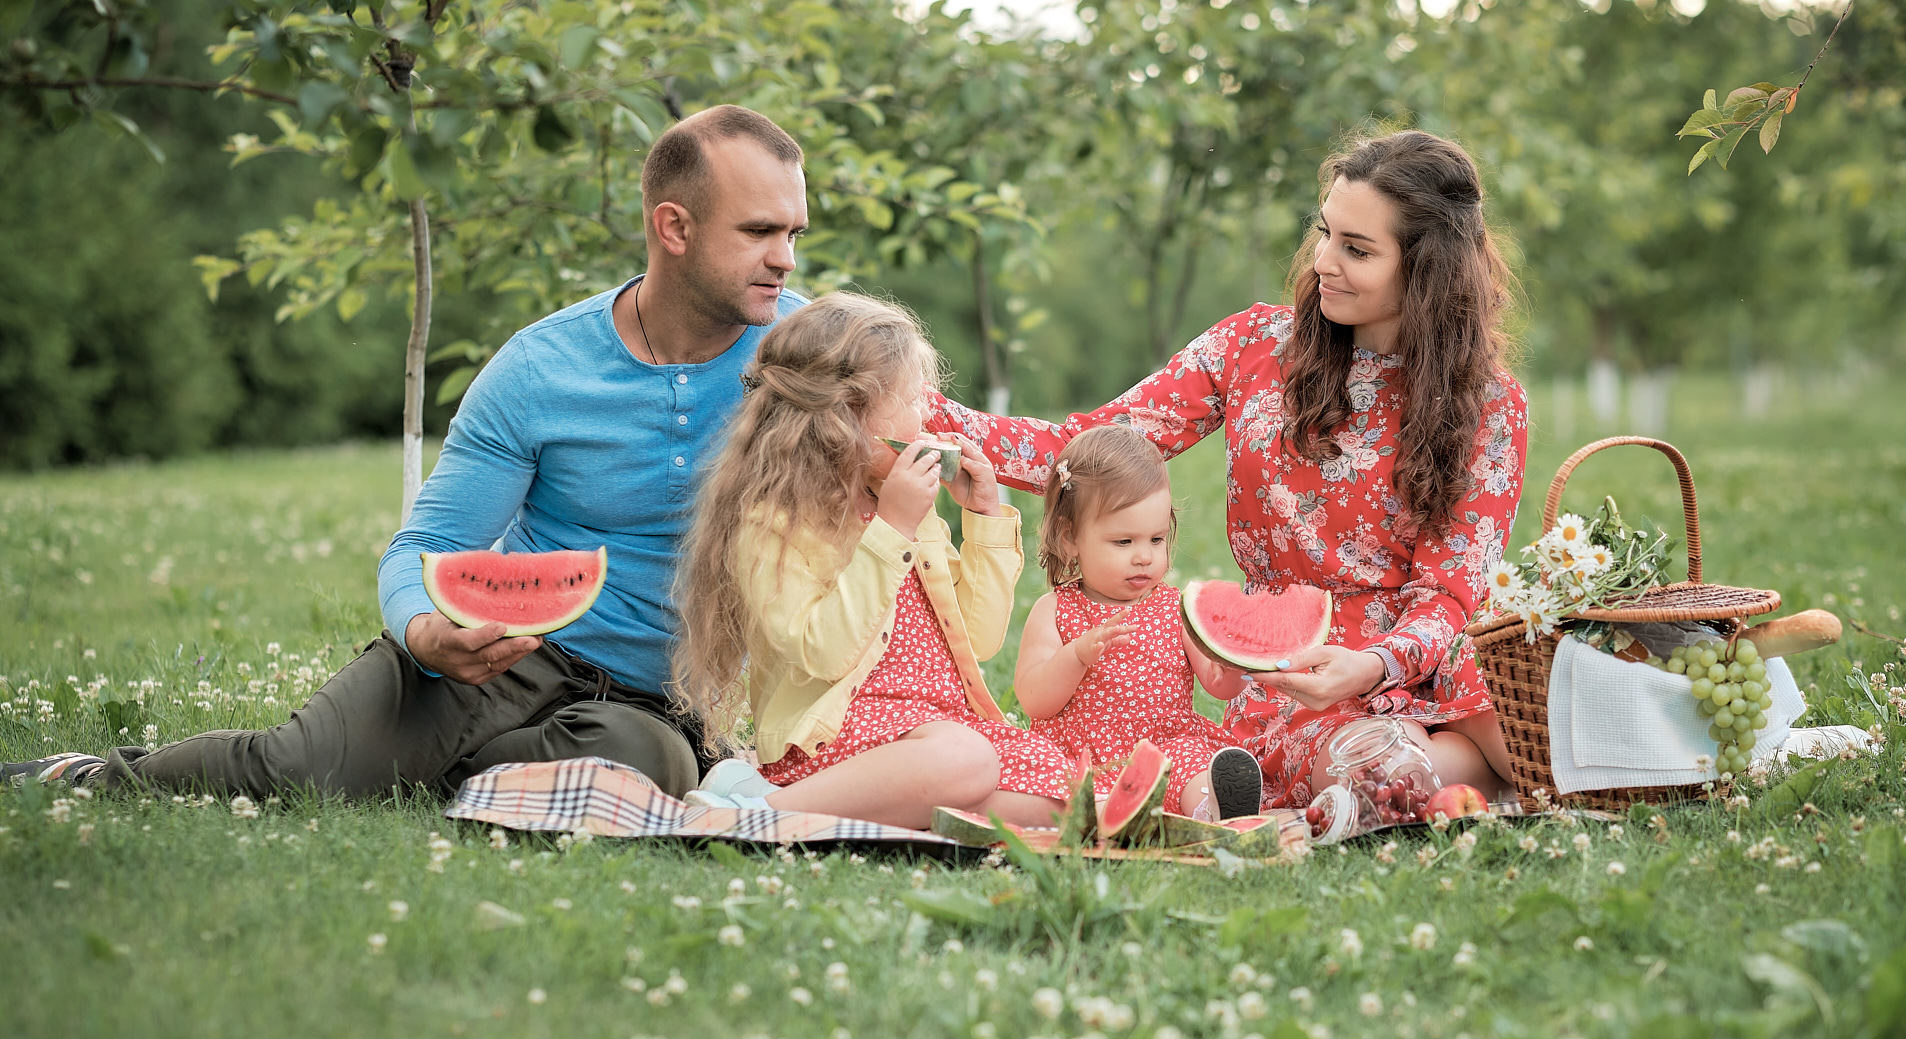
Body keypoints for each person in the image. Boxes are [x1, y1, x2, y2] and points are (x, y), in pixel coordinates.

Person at [2, 106, 812, 799]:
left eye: (793, 233)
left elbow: (888, 471)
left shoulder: (811, 359)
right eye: (760, 232)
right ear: (674, 227)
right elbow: (426, 545)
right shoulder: (541, 368)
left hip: (647, 704)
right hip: (501, 656)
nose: (786, 257)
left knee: (654, 764)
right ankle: (89, 776)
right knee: (298, 768)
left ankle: (434, 771)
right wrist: (426, 632)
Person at [928, 129, 1527, 807]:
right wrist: (925, 414)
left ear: (1427, 271)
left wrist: (1373, 664)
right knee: (1369, 772)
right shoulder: (1252, 346)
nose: (1324, 262)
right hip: (1296, 674)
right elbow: (1083, 447)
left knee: (1538, 738)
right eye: (1325, 233)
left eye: (1357, 250)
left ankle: (1465, 762)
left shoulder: (1492, 403)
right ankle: (1454, 772)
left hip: (1428, 654)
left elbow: (1449, 594)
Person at [671, 291, 1073, 831]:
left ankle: (841, 803)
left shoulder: (903, 504)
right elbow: (822, 653)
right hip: (833, 738)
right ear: (846, 417)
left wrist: (984, 519)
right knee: (967, 760)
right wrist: (892, 528)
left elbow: (977, 640)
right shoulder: (778, 521)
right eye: (909, 400)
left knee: (1058, 797)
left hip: (932, 729)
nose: (925, 414)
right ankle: (758, 812)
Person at [1011, 424, 1264, 820]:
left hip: (1164, 751)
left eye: (1156, 539)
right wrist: (1077, 656)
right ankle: (1100, 814)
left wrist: (1236, 661)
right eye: (1124, 542)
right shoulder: (1054, 610)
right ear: (1069, 538)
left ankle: (1210, 809)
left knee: (1192, 760)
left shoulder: (1176, 607)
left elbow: (1217, 683)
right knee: (1046, 780)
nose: (1144, 556)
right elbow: (1034, 699)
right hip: (1080, 757)